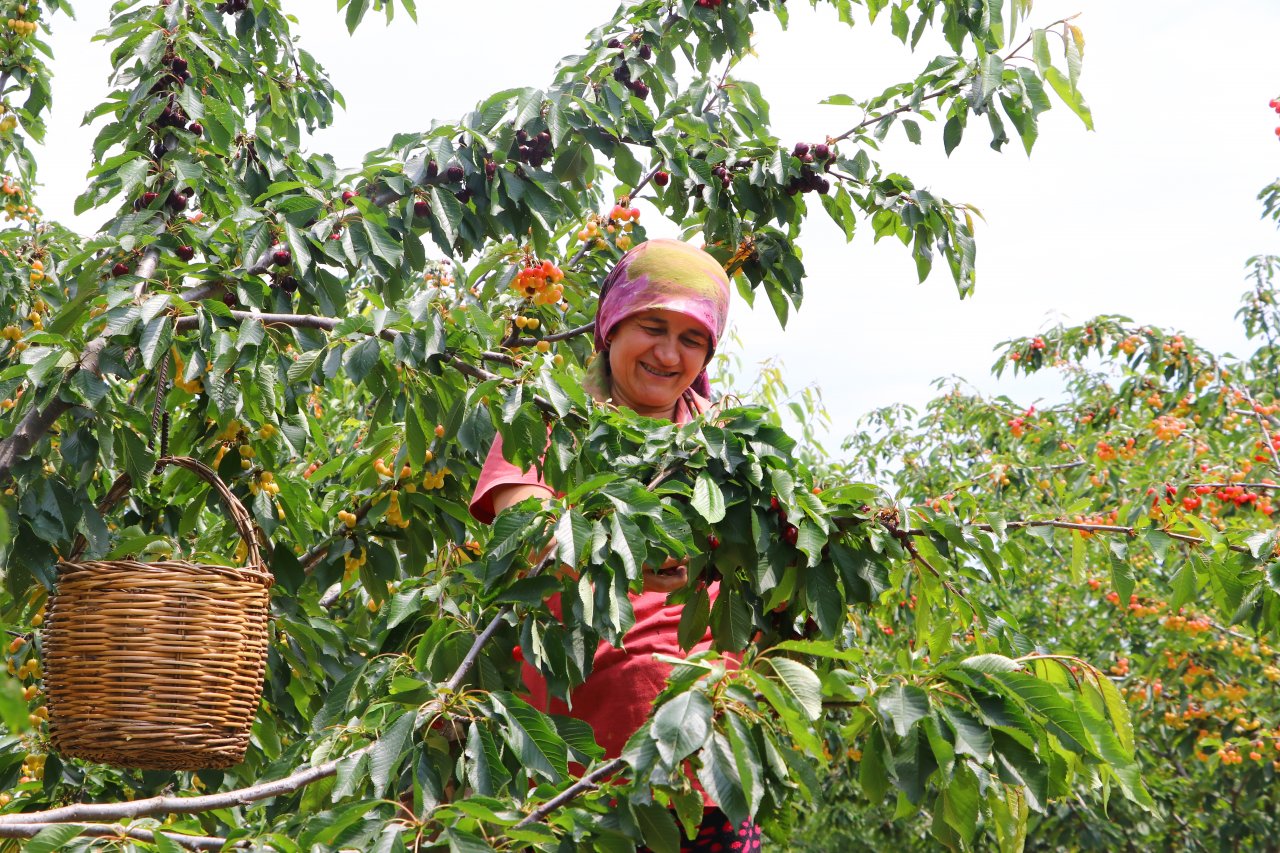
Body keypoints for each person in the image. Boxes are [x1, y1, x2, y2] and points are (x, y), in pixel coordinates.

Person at [469, 239, 762, 852]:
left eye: (692, 338)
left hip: (710, 753)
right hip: (581, 762)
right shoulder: (548, 420)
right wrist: (621, 547)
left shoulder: (727, 440)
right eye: (652, 327)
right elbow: (524, 537)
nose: (668, 352)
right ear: (611, 327)